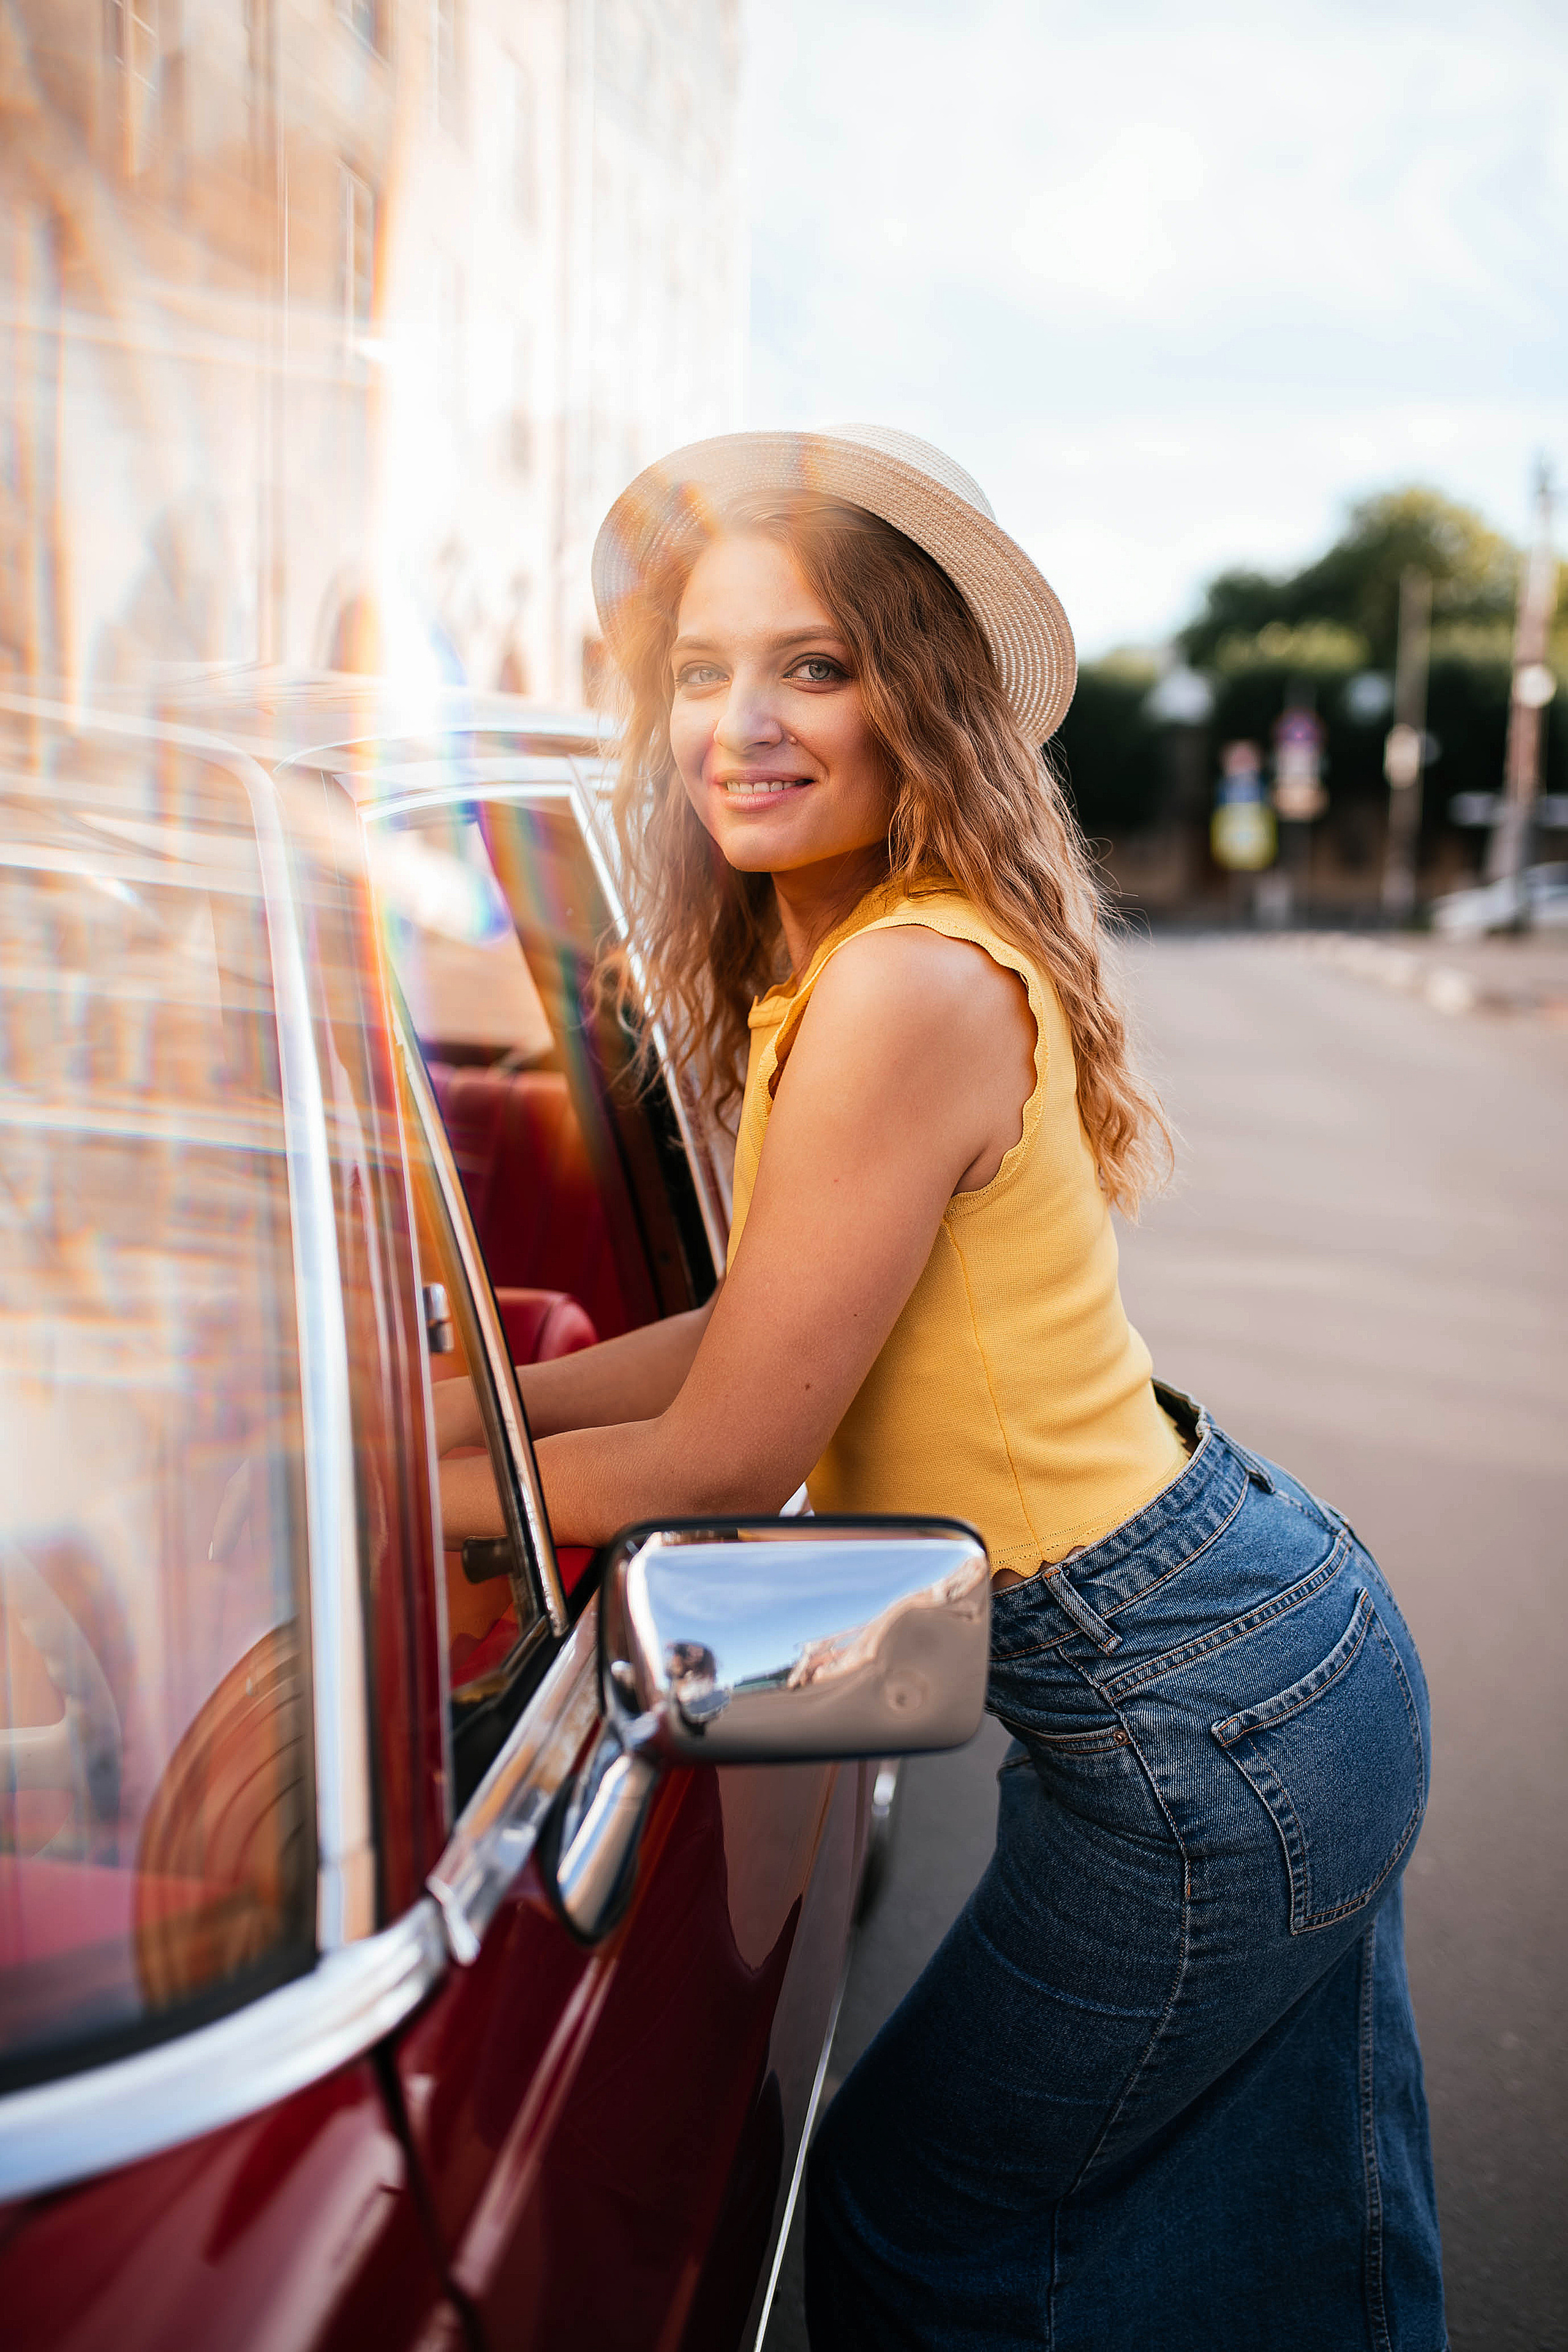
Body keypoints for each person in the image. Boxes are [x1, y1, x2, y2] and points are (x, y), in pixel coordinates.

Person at [437, 426, 1446, 2350]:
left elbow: (740, 1444)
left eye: (813, 664)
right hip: (1246, 1645)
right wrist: (495, 1396)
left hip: (1190, 1713)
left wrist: (415, 1506)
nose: (744, 718)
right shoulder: (841, 963)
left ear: (920, 700)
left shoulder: (902, 986)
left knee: (922, 2218)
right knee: (1295, 2250)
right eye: (705, 670)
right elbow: (765, 1336)